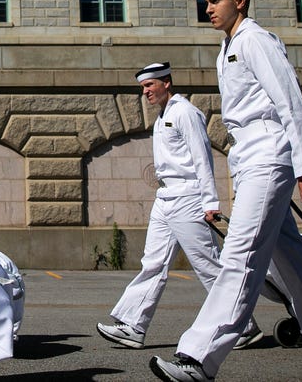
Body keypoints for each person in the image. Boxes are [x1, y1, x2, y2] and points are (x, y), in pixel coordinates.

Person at [150, 0, 302, 382]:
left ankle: (199, 358)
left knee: (241, 254)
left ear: (240, 1)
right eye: (207, 1)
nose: (208, 8)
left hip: (270, 154)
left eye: (215, 0)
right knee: (296, 270)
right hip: (250, 157)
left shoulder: (255, 39)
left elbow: (291, 101)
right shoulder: (229, 47)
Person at [97, 63, 264, 350]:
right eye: (143, 88)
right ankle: (133, 326)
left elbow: (202, 158)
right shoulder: (164, 116)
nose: (146, 92)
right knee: (153, 262)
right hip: (165, 198)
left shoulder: (186, 112)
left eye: (150, 85)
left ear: (166, 83)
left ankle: (244, 326)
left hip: (188, 197)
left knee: (208, 265)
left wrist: (210, 201)